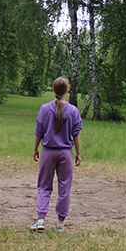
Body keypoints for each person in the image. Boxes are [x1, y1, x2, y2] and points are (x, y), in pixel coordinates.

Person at [31, 77, 82, 232]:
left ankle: (41, 219)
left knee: (44, 185)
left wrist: (36, 149)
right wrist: (78, 154)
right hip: (65, 153)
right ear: (67, 91)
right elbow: (76, 135)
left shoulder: (44, 109)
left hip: (48, 152)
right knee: (64, 186)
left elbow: (39, 132)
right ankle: (60, 222)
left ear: (53, 90)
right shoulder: (73, 111)